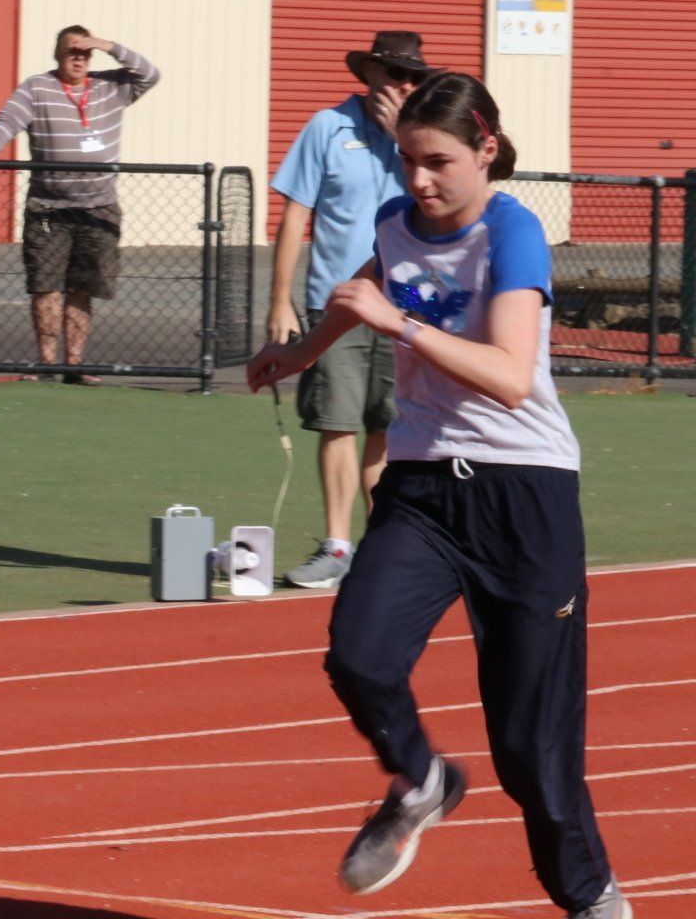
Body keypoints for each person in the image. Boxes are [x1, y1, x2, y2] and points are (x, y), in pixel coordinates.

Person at [247, 74, 630, 919]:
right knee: (359, 653)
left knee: (532, 745)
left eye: (438, 162)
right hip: (423, 486)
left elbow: (507, 378)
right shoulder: (394, 224)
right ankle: (422, 779)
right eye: (407, 160)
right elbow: (362, 292)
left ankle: (592, 897)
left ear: (486, 149)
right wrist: (303, 351)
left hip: (522, 495)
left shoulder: (512, 232)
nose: (419, 181)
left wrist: (402, 326)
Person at [269, 30, 432, 588]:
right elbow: (295, 217)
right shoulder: (326, 127)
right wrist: (279, 302)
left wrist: (399, 136)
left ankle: (385, 546)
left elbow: (433, 203)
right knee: (336, 423)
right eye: (394, 74)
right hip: (334, 302)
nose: (404, 86)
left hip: (405, 300)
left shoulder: (422, 139)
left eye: (413, 77)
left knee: (390, 428)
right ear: (369, 75)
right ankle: (337, 547)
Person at [0, 26, 160, 383]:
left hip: (98, 208)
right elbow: (8, 120)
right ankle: (47, 362)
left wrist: (108, 45)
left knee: (83, 289)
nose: (80, 59)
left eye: (86, 53)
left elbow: (150, 74)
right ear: (58, 55)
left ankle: (74, 364)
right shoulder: (37, 88)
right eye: (72, 52)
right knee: (46, 287)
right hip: (49, 208)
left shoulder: (111, 87)